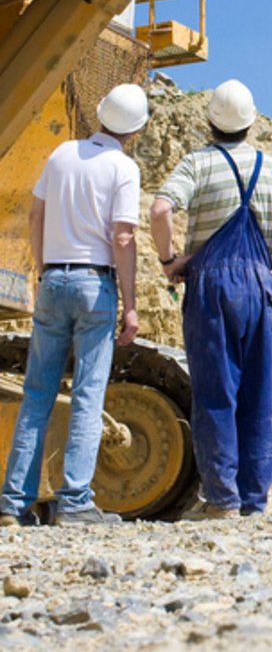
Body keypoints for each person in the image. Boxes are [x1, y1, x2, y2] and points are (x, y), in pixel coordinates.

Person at [150, 79, 272, 521]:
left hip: (212, 286)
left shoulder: (197, 164)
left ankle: (222, 499)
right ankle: (254, 501)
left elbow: (159, 210)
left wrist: (169, 259)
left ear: (210, 122)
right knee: (257, 394)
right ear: (251, 124)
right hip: (259, 286)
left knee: (216, 393)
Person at [0, 84, 148, 527]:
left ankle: (12, 503)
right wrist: (132, 304)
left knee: (37, 393)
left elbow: (35, 214)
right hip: (94, 284)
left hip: (53, 279)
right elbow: (122, 237)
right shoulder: (123, 167)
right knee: (87, 394)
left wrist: (45, 269)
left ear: (99, 115)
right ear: (137, 130)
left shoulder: (62, 154)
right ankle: (75, 502)